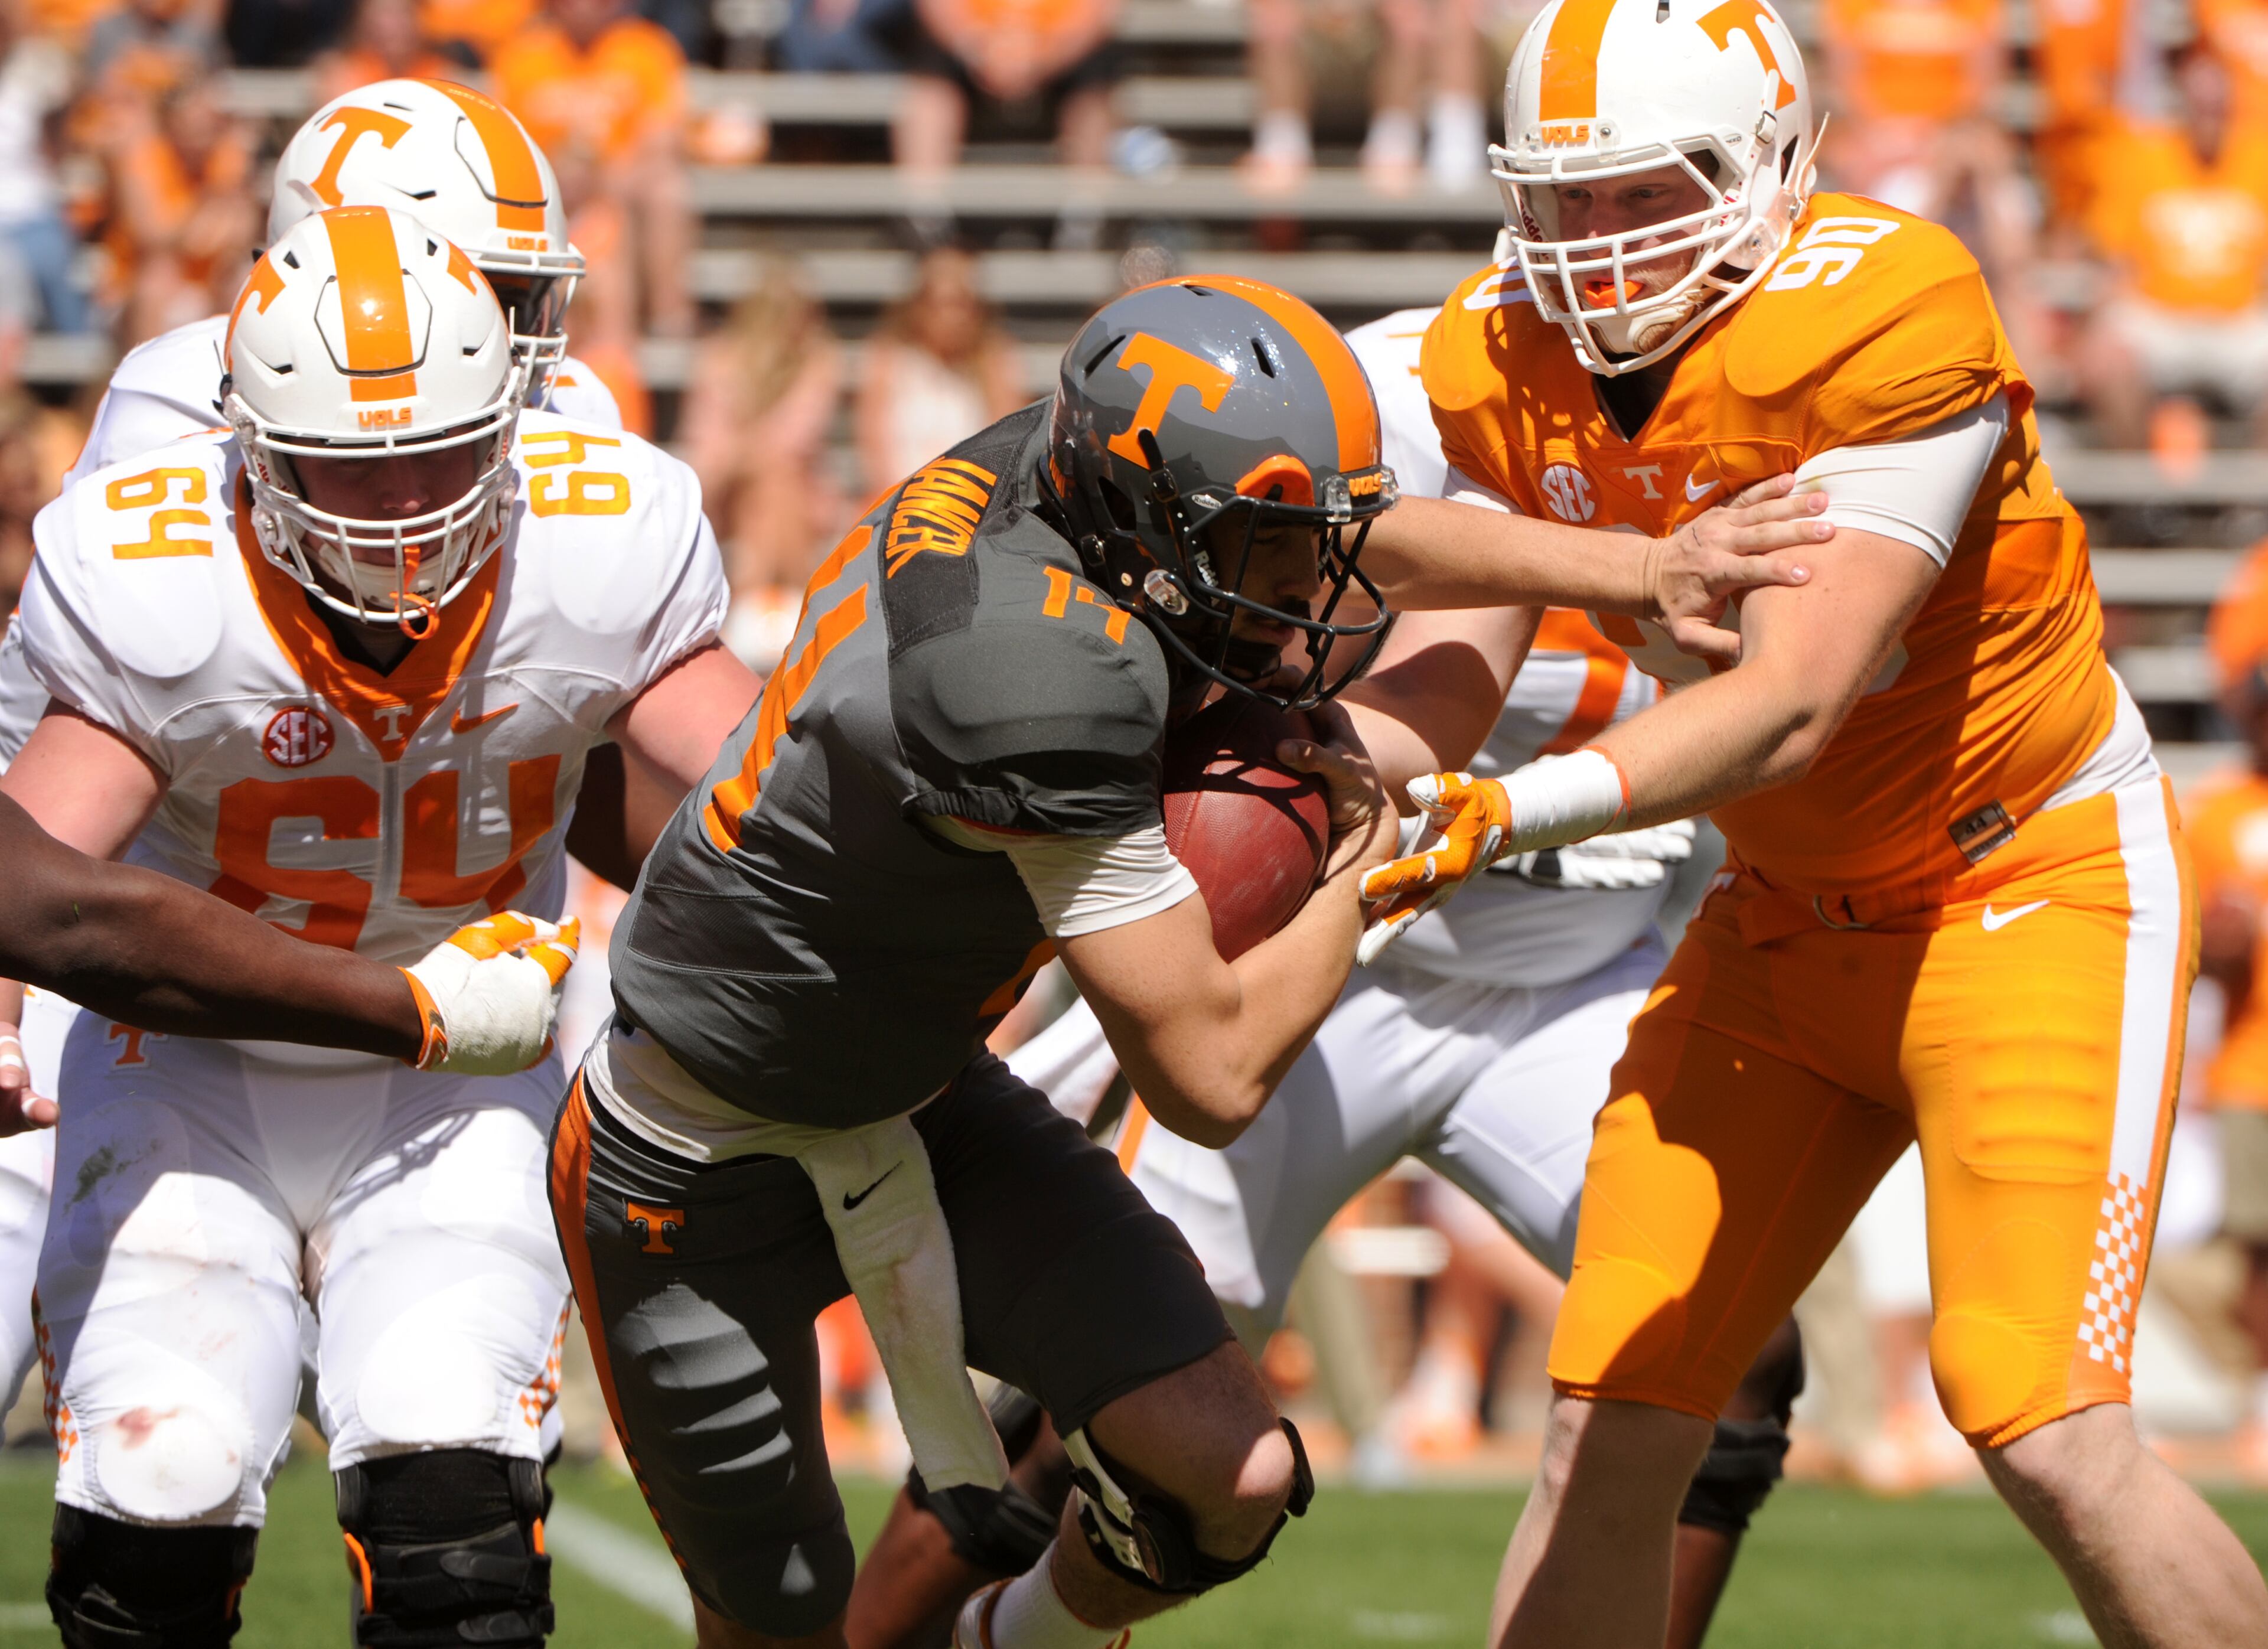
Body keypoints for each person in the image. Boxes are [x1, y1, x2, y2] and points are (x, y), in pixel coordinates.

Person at [1353, 2, 2268, 1644]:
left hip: (2024, 883)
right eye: (1563, 198)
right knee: (1607, 1415)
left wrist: (1504, 810)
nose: (1599, 246)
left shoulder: (1883, 309)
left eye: (1647, 192)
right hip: (1782, 916)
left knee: (2043, 1425)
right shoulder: (1499, 351)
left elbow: (1791, 700)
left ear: (1767, 167)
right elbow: (1407, 548)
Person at [844, 307, 1800, 1649]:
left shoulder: (1789, 419)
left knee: (1731, 1336)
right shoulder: (1409, 389)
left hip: (1579, 970)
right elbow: (1276, 627)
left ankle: (1015, 1638)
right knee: (1120, 1380)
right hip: (1347, 954)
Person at [2, 206, 756, 1647]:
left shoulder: (597, 533)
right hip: (188, 1074)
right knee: (159, 1489)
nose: (398, 507)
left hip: (459, 1089)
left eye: (439, 452)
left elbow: (765, 792)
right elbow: (34, 868)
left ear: (513, 419)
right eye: (350, 460)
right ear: (249, 446)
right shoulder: (155, 571)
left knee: (453, 1498)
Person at [2078, 43, 2268, 450]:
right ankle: (2139, 496)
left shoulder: (2260, 157)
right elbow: (2113, 258)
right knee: (2105, 355)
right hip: (2159, 316)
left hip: (2241, 318)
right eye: (2199, 100)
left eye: (2217, 102)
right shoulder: (2142, 156)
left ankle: (2253, 502)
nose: (2209, 114)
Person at [2188, 543, 2268, 1480]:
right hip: (2252, 1069)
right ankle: (2259, 1399)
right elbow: (2199, 956)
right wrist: (2225, 938)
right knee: (2260, 1253)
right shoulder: (2215, 813)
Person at [680, 256, 847, 672]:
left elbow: (795, 441)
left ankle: (747, 614)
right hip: (726, 491)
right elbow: (707, 450)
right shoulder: (718, 359)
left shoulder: (820, 361)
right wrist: (743, 457)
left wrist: (745, 445)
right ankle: (792, 618)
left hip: (795, 493)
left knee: (775, 488)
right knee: (770, 486)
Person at [491, 0, 693, 338]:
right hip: (548, 184)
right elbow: (506, 139)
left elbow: (665, 135)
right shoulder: (523, 53)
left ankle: (669, 321)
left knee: (665, 191)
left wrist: (603, 177)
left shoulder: (648, 48)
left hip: (620, 182)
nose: (585, 7)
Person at [855, 247, 1025, 496]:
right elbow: (873, 452)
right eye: (942, 304)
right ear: (919, 306)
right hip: (898, 502)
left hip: (972, 504)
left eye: (962, 305)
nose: (954, 317)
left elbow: (1009, 446)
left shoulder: (994, 362)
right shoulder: (889, 359)